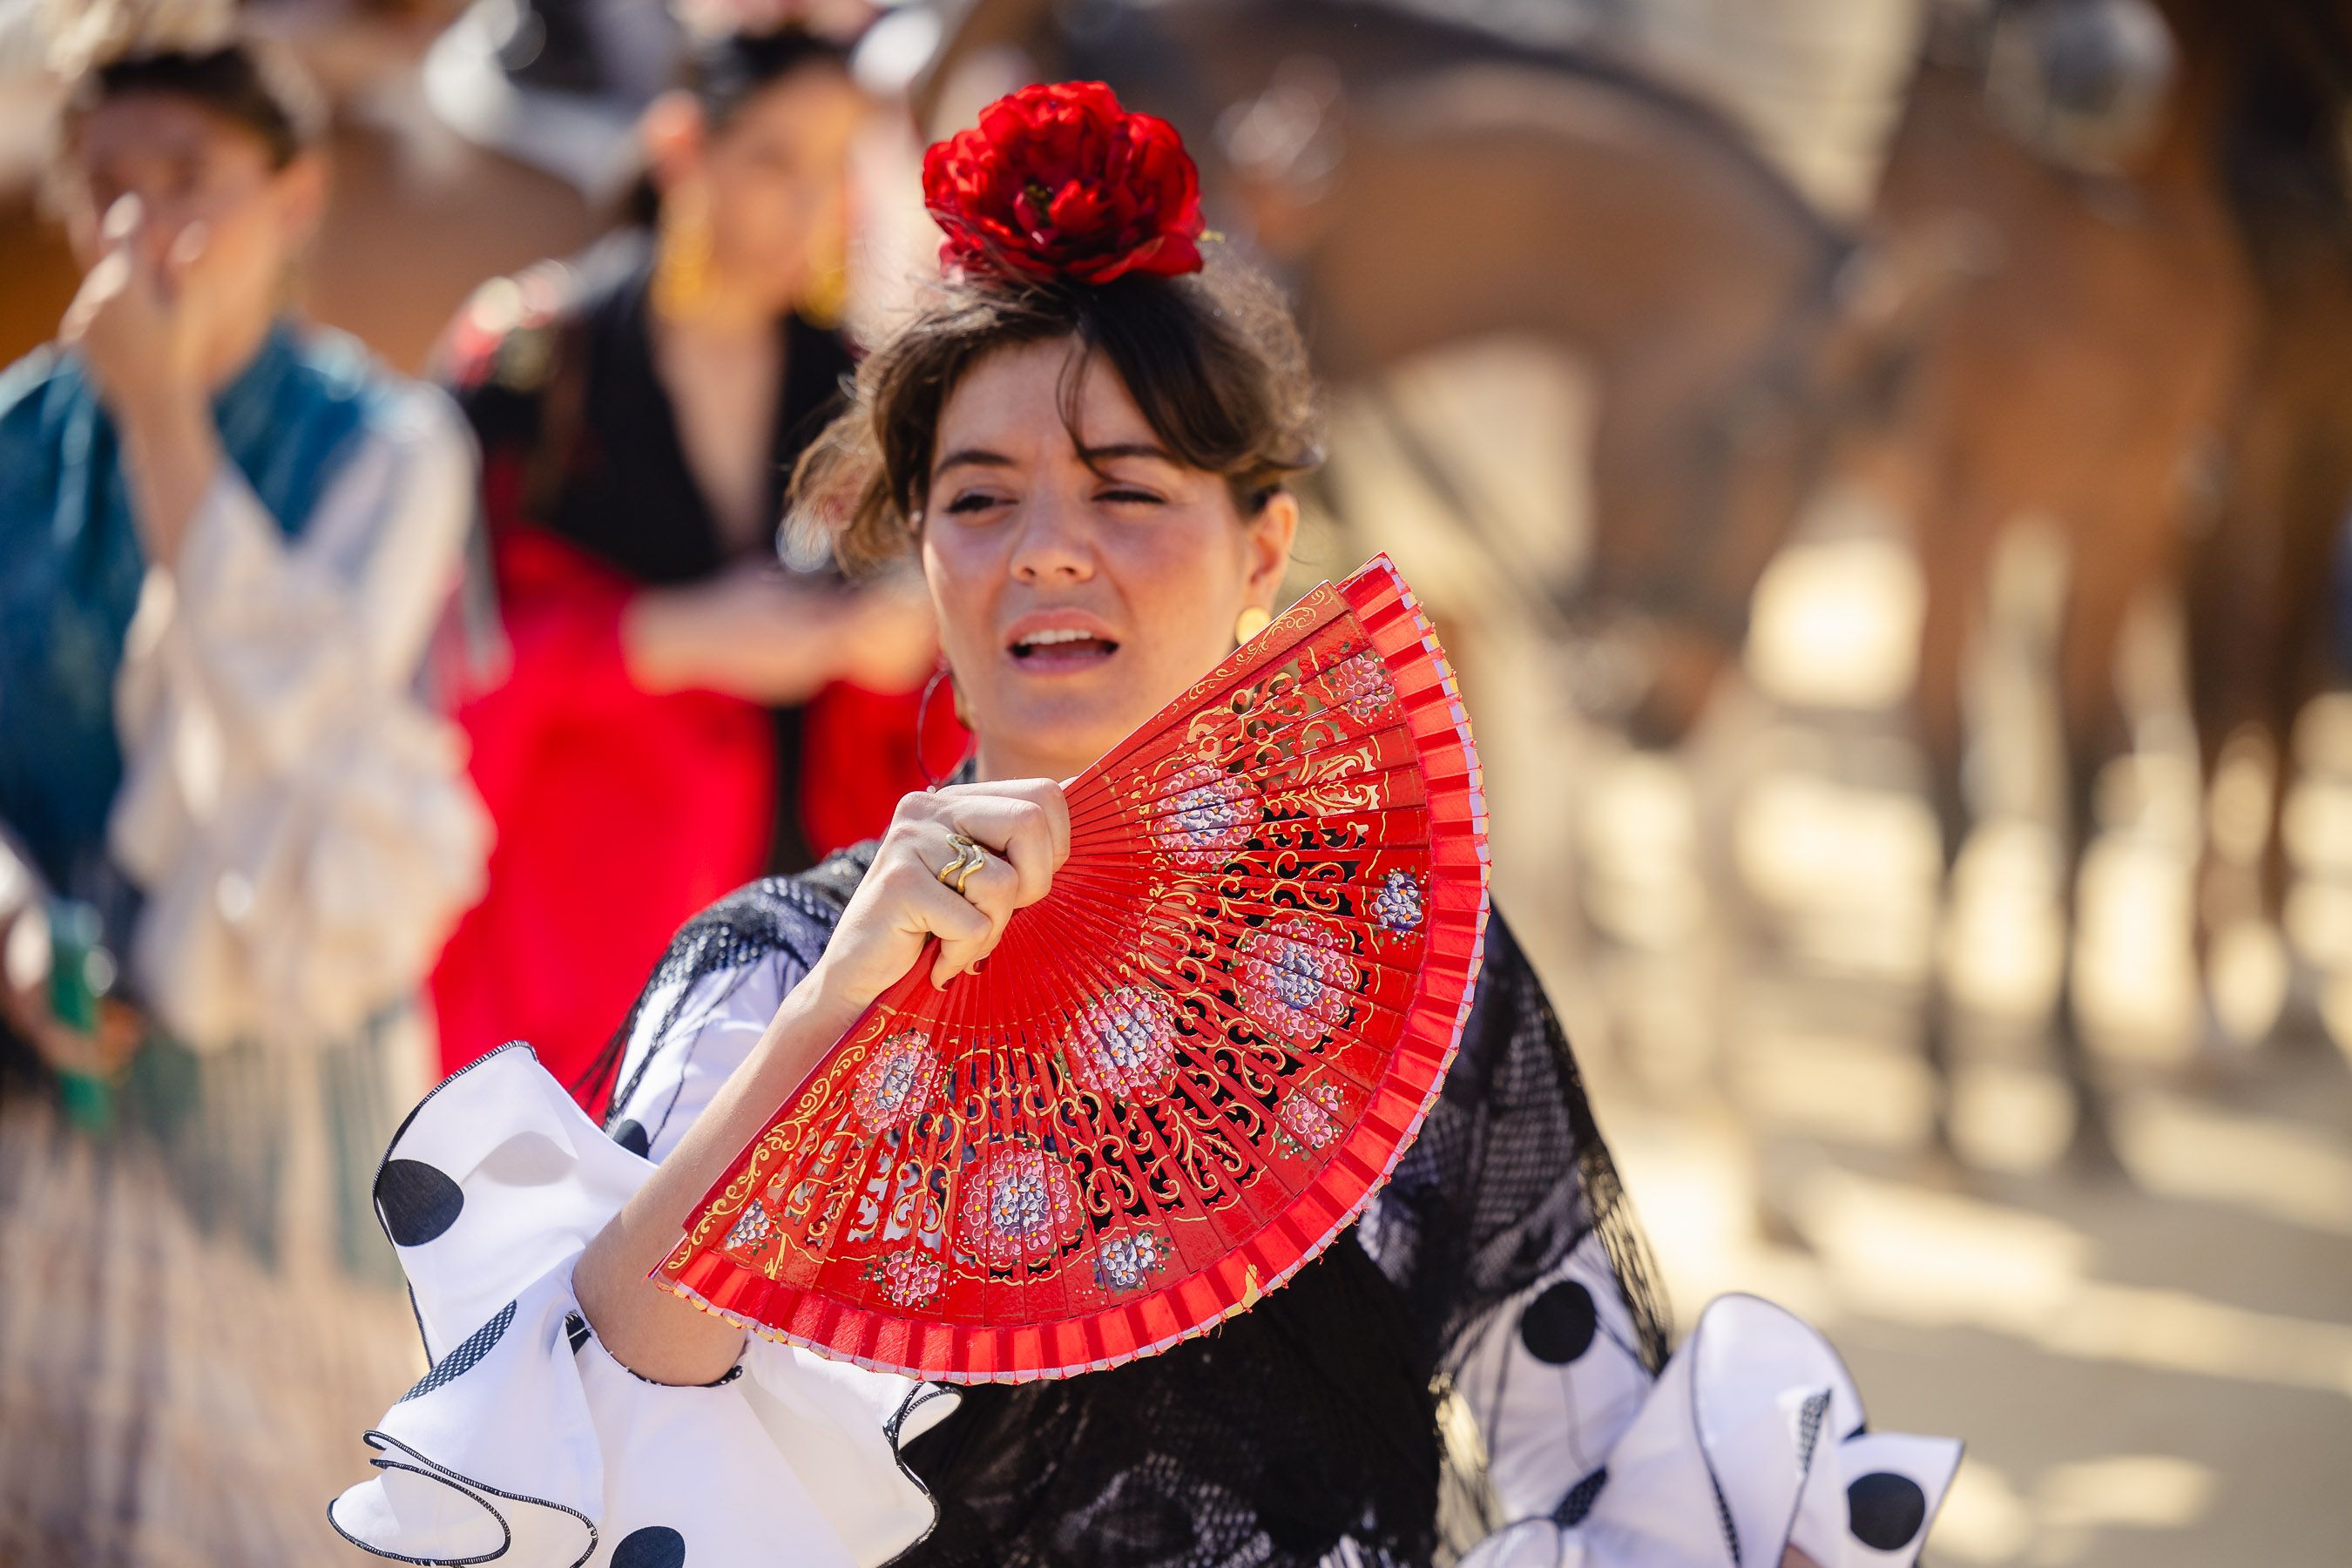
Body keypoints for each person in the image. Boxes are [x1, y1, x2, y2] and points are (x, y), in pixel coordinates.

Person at [333, 82, 1958, 1568]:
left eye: (1127, 489)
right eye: (980, 498)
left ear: (1264, 551)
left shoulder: (1401, 970)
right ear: (921, 557)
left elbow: (1585, 1438)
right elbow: (601, 1424)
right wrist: (837, 1023)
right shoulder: (774, 974)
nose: (1049, 548)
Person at [0, 15, 482, 1559]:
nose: (141, 223)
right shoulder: (12, 439)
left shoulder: (389, 446)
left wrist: (158, 415)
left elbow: (296, 702)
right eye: (106, 182)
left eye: (188, 174)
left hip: (280, 1102)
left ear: (295, 197)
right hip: (44, 1085)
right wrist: (14, 923)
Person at [425, 13, 939, 1087]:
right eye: (775, 161)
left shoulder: (860, 388)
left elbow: (916, 670)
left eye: (836, 166)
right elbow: (434, 663)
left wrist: (900, 640)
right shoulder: (528, 367)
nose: (813, 204)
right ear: (680, 148)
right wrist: (660, 637)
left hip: (792, 941)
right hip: (565, 940)